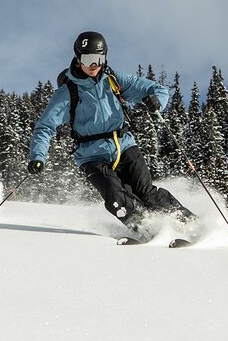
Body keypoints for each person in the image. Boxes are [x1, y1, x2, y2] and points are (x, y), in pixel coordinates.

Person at [26, 31, 202, 241]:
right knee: (115, 196)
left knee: (147, 193)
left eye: (99, 59)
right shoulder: (67, 92)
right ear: (77, 58)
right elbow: (45, 126)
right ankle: (148, 230)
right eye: (89, 59)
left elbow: (155, 89)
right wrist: (38, 157)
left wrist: (157, 101)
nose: (95, 65)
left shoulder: (113, 79)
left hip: (125, 146)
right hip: (92, 156)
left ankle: (193, 226)